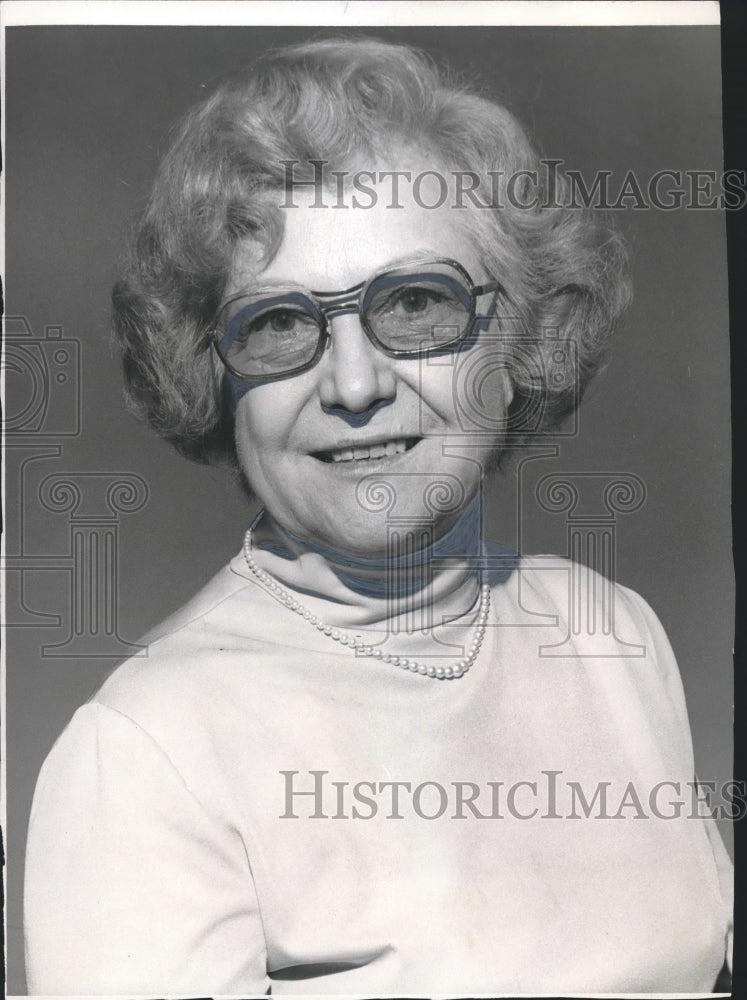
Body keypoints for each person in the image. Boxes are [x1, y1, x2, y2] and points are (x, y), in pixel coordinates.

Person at [24, 38, 732, 995]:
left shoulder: (611, 639)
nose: (353, 385)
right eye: (277, 325)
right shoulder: (144, 754)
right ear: (213, 372)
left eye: (414, 304)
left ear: (517, 332)